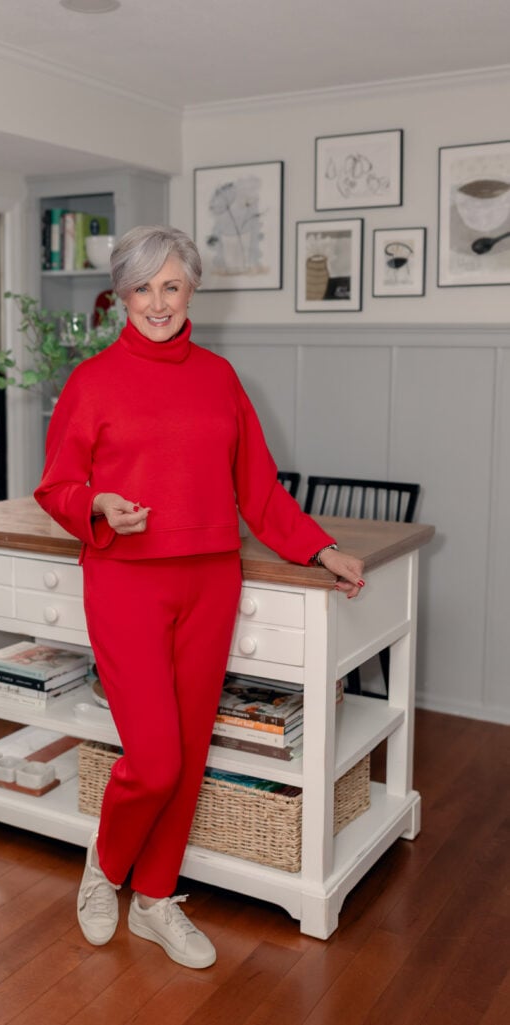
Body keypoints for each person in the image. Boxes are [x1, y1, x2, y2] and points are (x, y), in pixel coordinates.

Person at [34, 225, 365, 970]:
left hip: (210, 582)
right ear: (121, 295)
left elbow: (259, 491)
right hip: (125, 582)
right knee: (152, 759)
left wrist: (319, 547)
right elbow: (55, 486)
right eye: (142, 287)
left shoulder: (219, 378)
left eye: (171, 285)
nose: (157, 301)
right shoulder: (92, 382)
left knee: (184, 759)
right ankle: (104, 868)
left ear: (192, 290)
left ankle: (153, 900)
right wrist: (97, 506)